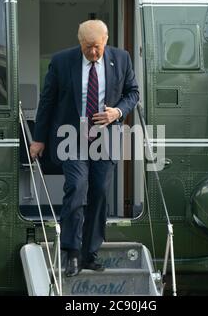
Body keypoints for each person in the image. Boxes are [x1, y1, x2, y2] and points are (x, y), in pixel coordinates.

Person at [30, 20, 139, 277]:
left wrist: (118, 112)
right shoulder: (61, 61)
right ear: (80, 42)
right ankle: (72, 252)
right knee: (77, 189)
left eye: (97, 47)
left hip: (105, 136)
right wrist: (39, 138)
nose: (92, 53)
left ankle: (90, 253)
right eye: (87, 47)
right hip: (72, 137)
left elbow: (133, 92)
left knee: (99, 192)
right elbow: (47, 101)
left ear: (106, 40)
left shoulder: (121, 59)